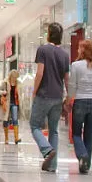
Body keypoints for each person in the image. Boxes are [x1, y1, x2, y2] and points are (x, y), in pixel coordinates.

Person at [30, 23, 70, 172]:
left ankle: (46, 150)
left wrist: (34, 91)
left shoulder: (43, 50)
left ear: (49, 34)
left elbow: (40, 73)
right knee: (54, 130)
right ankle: (52, 166)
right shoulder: (65, 55)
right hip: (58, 96)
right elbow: (67, 79)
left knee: (34, 125)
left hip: (44, 94)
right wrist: (69, 97)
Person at [69, 39, 92, 174]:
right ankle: (86, 166)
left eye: (79, 48)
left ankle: (82, 155)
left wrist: (68, 100)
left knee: (77, 134)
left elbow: (72, 85)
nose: (78, 50)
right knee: (88, 134)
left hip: (80, 101)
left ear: (83, 50)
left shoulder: (76, 65)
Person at [4, 70, 20, 145]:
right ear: (11, 76)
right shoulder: (5, 82)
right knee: (6, 120)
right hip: (7, 103)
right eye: (14, 77)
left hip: (14, 103)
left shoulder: (18, 83)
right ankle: (6, 138)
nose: (15, 79)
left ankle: (16, 138)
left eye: (16, 77)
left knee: (15, 120)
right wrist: (3, 92)